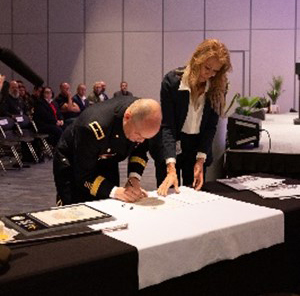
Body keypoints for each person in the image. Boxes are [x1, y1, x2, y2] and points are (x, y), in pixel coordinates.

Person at [150, 39, 232, 196]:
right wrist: (171, 166)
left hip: (196, 147)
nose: (209, 74)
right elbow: (167, 126)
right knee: (168, 195)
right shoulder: (172, 82)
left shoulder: (217, 86)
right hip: (170, 143)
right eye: (207, 68)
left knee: (194, 195)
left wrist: (200, 160)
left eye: (215, 71)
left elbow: (210, 127)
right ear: (197, 59)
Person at [53, 96, 162, 206]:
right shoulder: (93, 128)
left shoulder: (143, 117)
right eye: (139, 135)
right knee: (76, 210)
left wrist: (133, 179)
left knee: (110, 205)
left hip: (108, 158)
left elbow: (139, 150)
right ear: (128, 117)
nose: (142, 140)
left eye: (145, 138)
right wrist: (116, 191)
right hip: (75, 162)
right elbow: (83, 176)